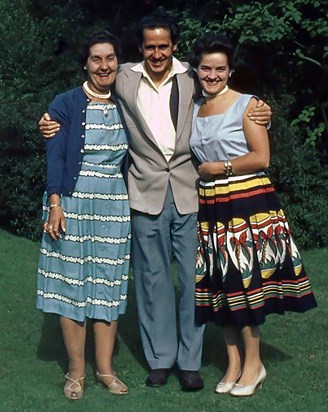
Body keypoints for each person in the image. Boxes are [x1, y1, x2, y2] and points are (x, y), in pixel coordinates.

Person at [38, 12, 272, 391]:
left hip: (189, 190)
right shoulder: (124, 76)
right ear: (141, 48)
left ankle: (190, 362)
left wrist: (262, 112)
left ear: (174, 46)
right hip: (143, 192)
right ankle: (161, 359)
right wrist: (50, 121)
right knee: (152, 280)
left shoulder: (194, 78)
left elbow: (226, 103)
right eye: (150, 46)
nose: (157, 52)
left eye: (164, 46)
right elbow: (78, 103)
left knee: (193, 280)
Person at [189, 33, 317, 397]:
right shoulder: (196, 106)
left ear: (230, 70)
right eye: (205, 68)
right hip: (212, 206)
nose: (212, 75)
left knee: (245, 283)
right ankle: (232, 363)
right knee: (221, 285)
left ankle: (254, 364)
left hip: (247, 202)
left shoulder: (247, 104)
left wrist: (220, 167)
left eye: (220, 69)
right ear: (196, 69)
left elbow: (261, 157)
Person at [36, 31, 131, 400]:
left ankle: (105, 369)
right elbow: (55, 156)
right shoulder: (65, 103)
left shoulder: (127, 103)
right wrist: (55, 203)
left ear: (118, 63)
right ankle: (76, 371)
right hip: (71, 202)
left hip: (113, 203)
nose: (104, 65)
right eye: (96, 59)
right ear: (86, 64)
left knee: (106, 285)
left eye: (110, 58)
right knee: (71, 285)